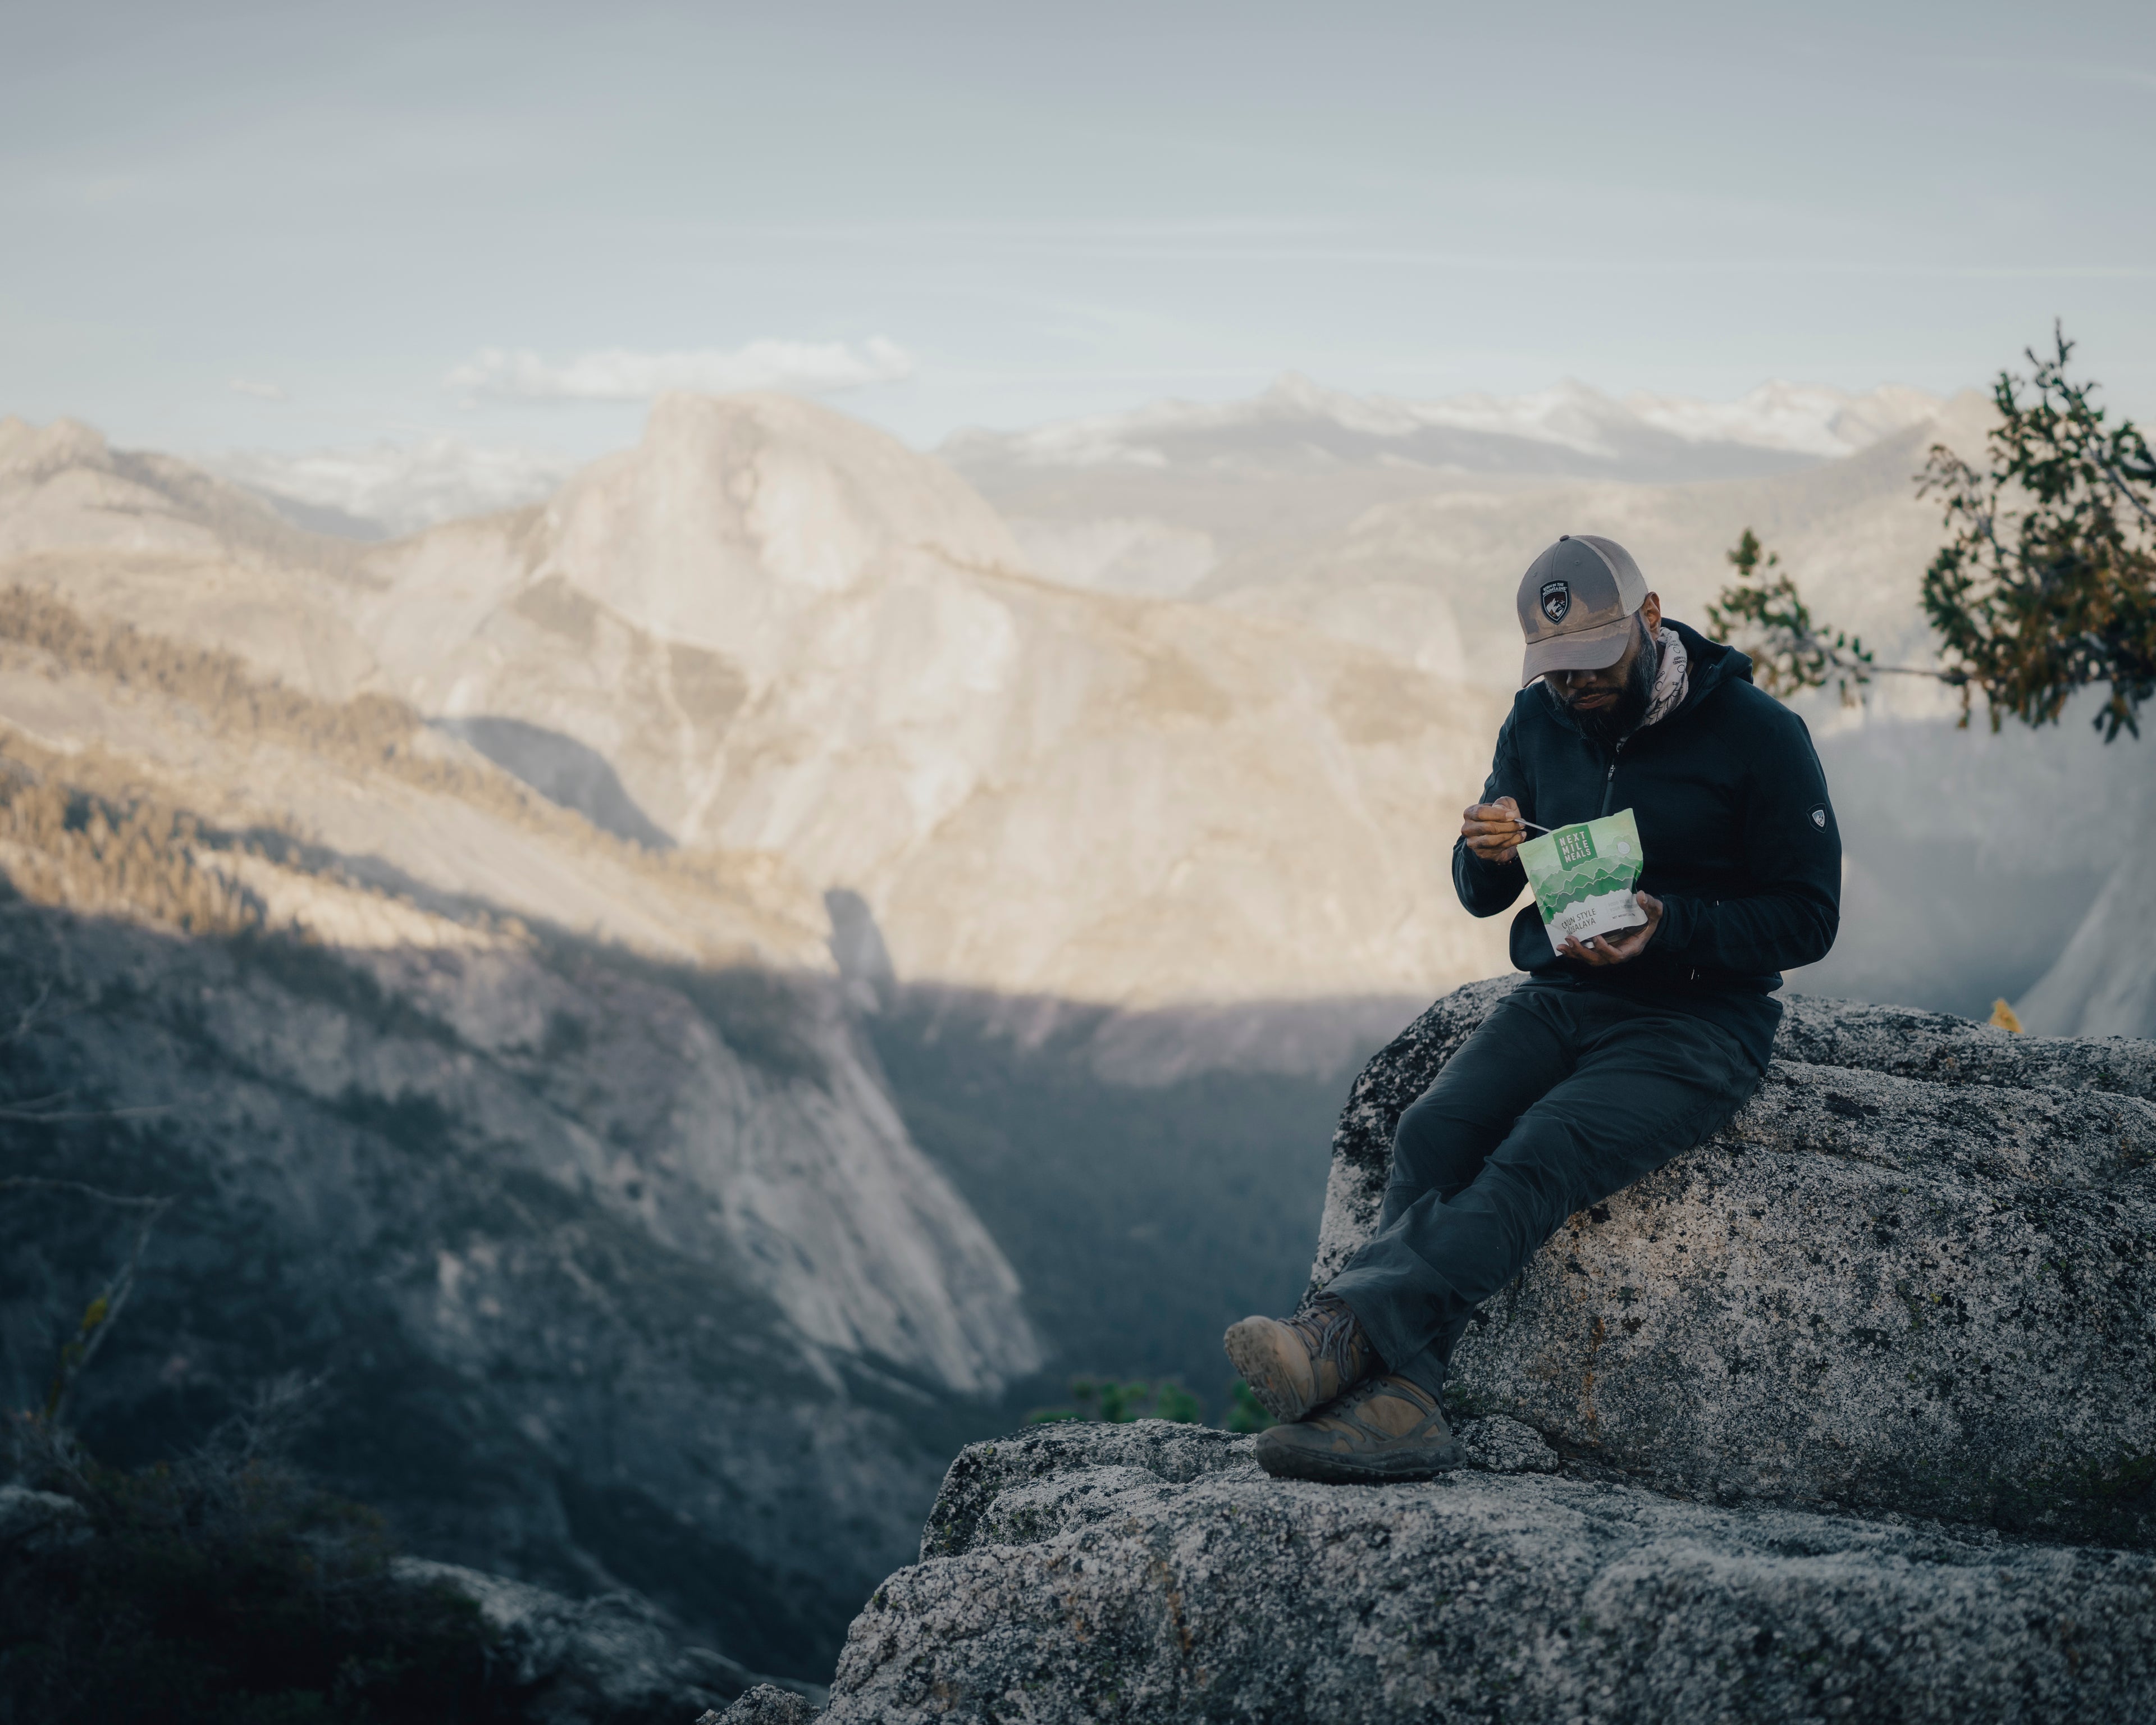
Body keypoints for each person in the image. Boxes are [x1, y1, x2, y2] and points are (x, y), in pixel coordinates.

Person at [1224, 533, 1840, 1482]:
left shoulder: (1760, 735)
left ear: (1650, 618)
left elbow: (1808, 917)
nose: (1574, 690)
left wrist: (1670, 926)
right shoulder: (1535, 722)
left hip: (1697, 1022)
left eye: (1593, 666)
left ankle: (1341, 1336)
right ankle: (1408, 1405)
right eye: (1555, 671)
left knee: (1539, 1152)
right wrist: (1485, 852)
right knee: (1434, 1129)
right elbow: (1479, 894)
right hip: (1564, 992)